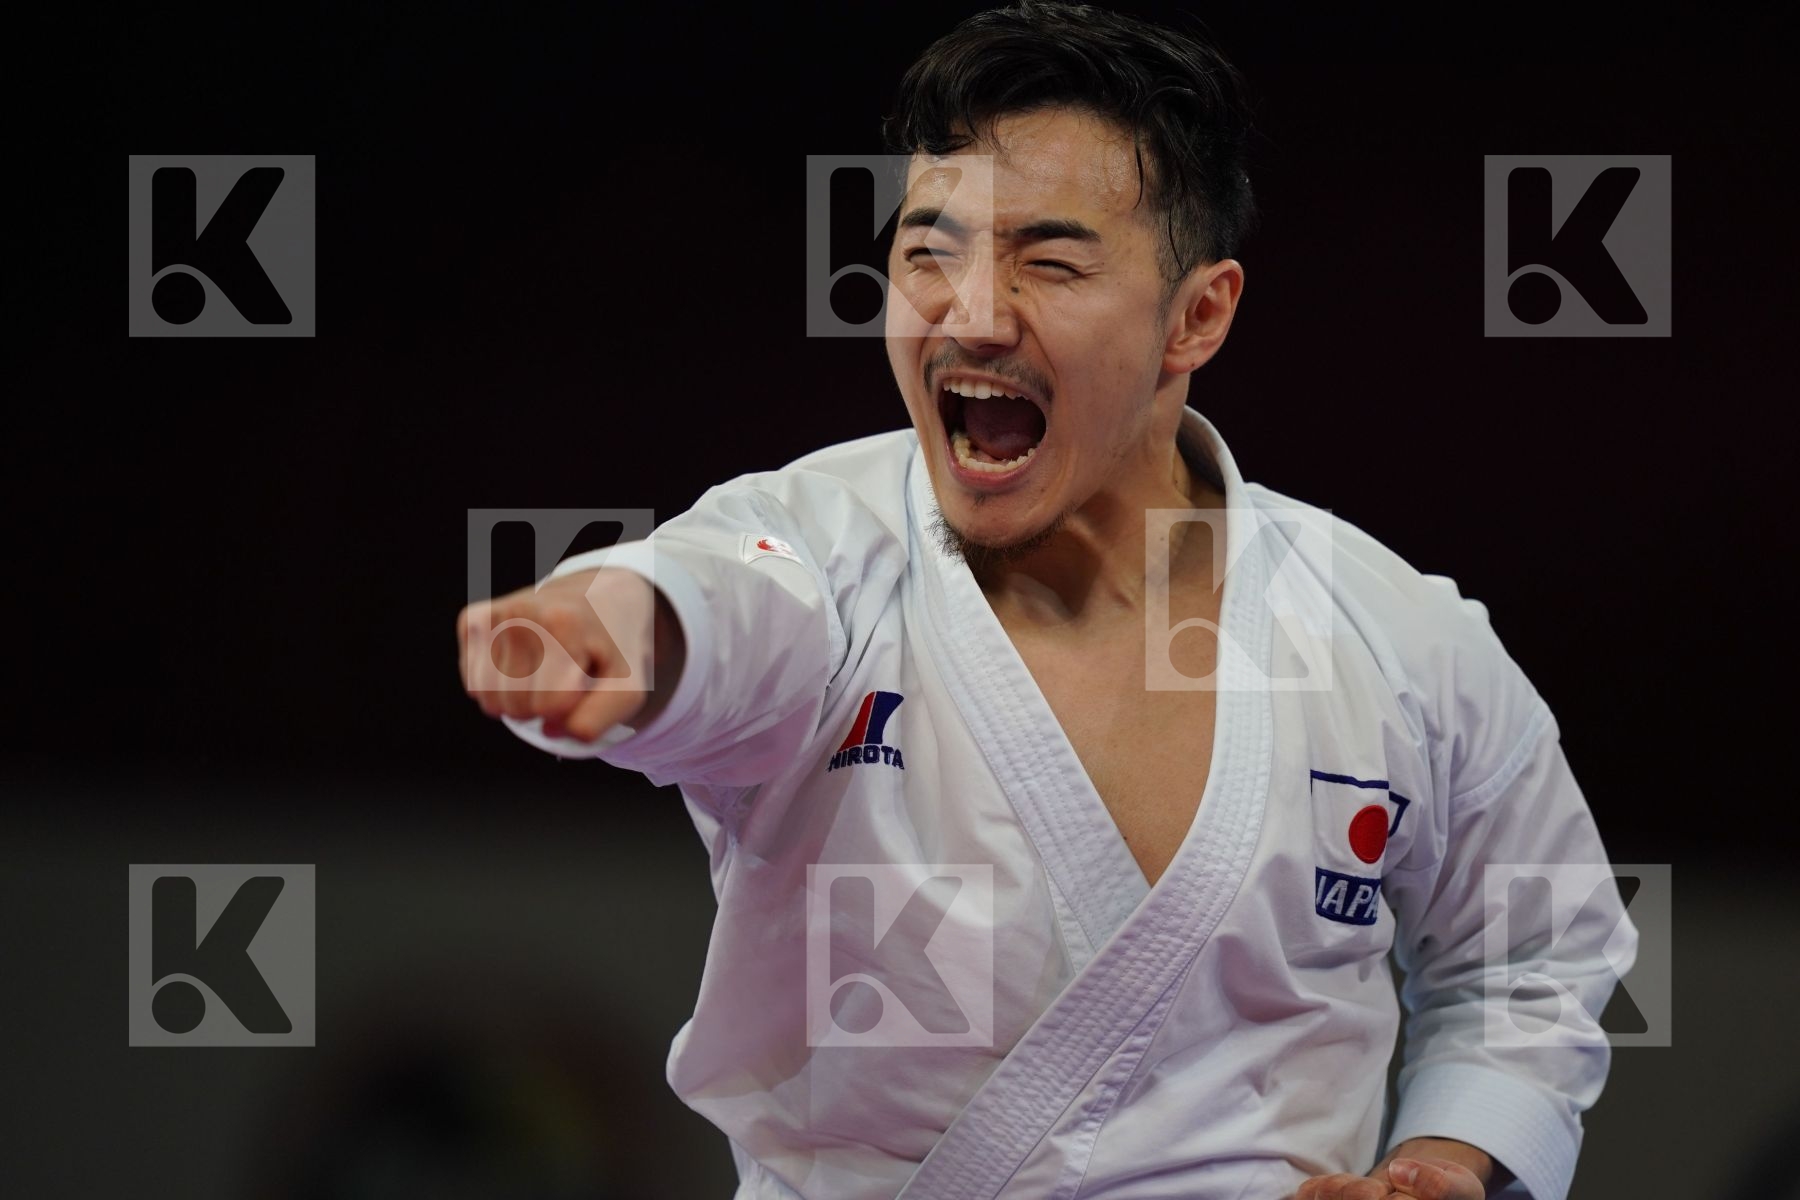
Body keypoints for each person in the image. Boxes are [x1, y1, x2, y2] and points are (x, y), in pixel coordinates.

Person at [456, 4, 1637, 1197]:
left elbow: (1536, 954)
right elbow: (716, 601)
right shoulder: (823, 551)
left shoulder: (1395, 636)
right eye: (928, 251)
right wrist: (612, 623)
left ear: (1199, 315)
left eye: (1049, 261)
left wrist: (1446, 1160)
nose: (969, 313)